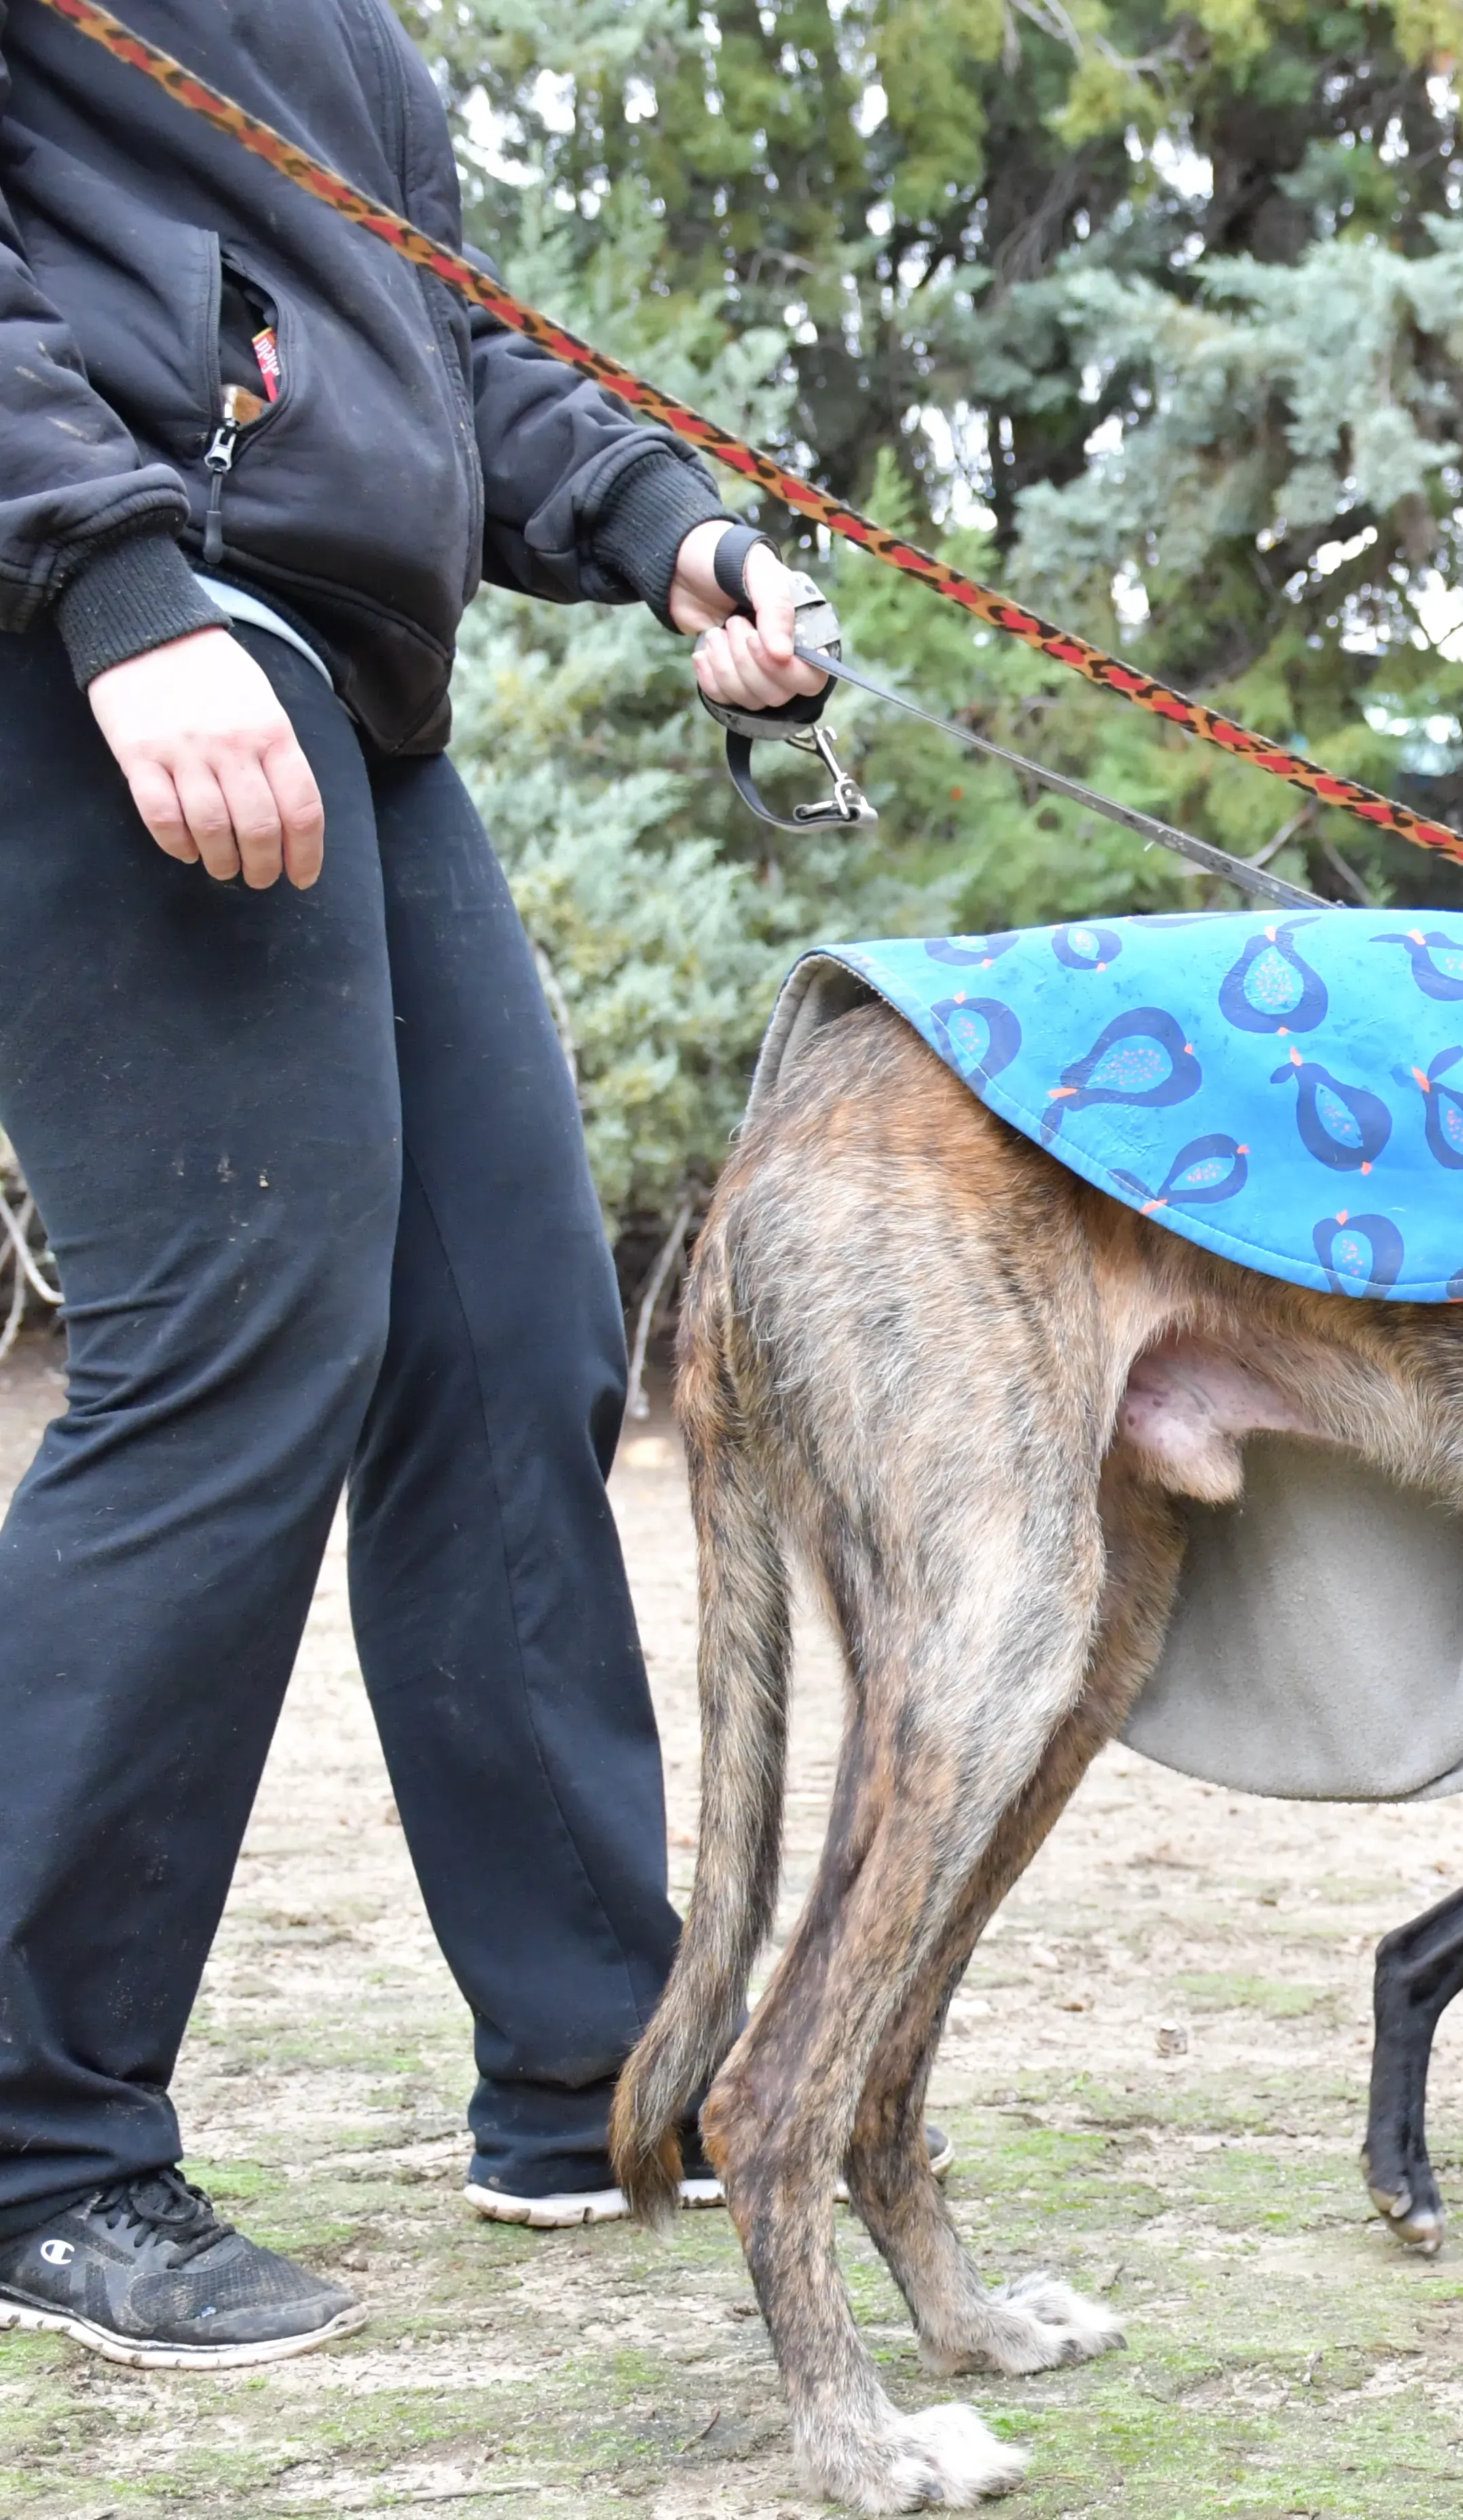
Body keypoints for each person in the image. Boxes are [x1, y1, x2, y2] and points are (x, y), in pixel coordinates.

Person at [0, 1, 823, 2367]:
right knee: (234, 1347)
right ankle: (38, 2139)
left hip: (344, 678)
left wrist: (672, 529)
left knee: (507, 1340)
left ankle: (590, 2070)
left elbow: (433, 347)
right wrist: (106, 582)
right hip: (113, 634)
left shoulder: (344, 34)